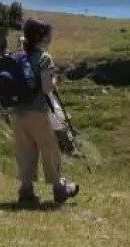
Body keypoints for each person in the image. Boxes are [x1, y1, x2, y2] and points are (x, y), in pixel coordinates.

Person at [10, 18, 80, 207]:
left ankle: (25, 192)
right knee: (50, 150)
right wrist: (54, 80)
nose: (51, 37)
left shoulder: (16, 56)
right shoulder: (44, 58)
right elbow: (47, 88)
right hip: (38, 112)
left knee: (25, 152)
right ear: (42, 37)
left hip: (16, 112)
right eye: (49, 34)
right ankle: (59, 188)